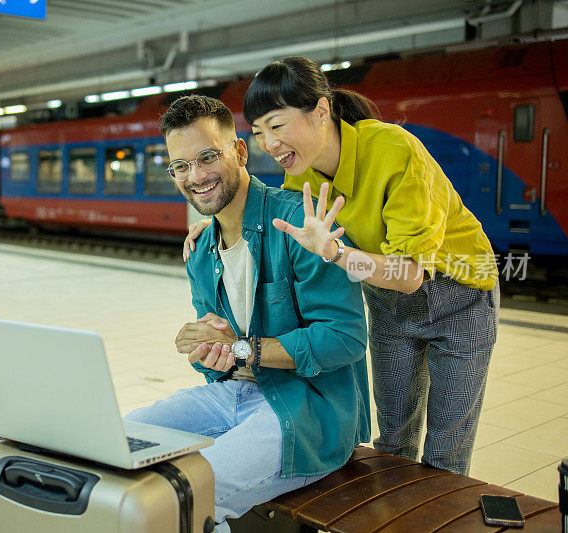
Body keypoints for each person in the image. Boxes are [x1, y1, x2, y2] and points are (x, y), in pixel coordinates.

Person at [184, 57, 499, 476]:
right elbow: (270, 205)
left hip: (460, 297)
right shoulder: (301, 178)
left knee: (445, 453)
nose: (269, 144)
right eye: (259, 133)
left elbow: (409, 276)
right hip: (386, 302)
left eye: (277, 126)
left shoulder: (392, 148)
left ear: (320, 111)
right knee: (394, 441)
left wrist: (336, 254)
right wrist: (218, 219)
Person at [125, 94, 371, 532]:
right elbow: (221, 362)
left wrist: (241, 347)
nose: (194, 176)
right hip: (233, 398)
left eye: (206, 157)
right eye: (180, 165)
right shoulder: (200, 250)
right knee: (113, 446)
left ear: (239, 151)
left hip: (309, 410)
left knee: (180, 497)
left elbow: (346, 338)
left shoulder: (297, 223)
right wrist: (210, 353)